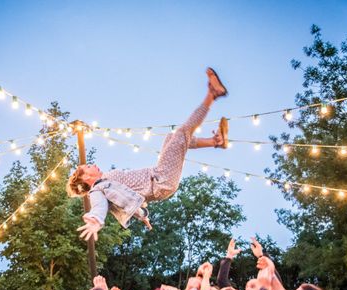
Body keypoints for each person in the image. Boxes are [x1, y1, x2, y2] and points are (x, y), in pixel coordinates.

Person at [67, 67, 229, 241]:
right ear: (85, 178)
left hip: (158, 176)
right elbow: (99, 207)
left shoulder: (106, 180)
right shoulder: (97, 190)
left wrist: (141, 215)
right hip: (161, 180)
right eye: (88, 166)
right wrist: (95, 221)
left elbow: (126, 200)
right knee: (182, 133)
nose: (93, 164)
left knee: (172, 138)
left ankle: (216, 141)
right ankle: (212, 93)